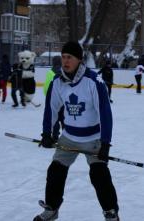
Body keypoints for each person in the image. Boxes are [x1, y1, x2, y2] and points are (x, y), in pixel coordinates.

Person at [34, 41, 119, 221]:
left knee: (99, 174)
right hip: (69, 136)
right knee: (55, 171)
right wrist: (46, 134)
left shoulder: (94, 81)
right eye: (63, 57)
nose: (65, 61)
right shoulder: (57, 82)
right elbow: (51, 109)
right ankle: (52, 208)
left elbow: (105, 113)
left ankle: (111, 212)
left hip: (93, 138)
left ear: (79, 60)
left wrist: (105, 143)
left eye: (69, 57)